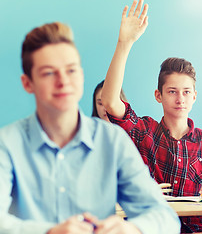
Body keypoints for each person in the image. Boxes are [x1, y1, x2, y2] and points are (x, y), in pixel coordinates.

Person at [0, 21, 180, 234]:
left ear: (81, 76)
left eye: (71, 70)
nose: (63, 81)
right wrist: (49, 232)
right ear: (28, 83)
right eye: (49, 73)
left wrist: (132, 229)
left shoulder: (113, 141)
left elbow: (164, 218)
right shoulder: (7, 144)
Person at [101, 0, 202, 233]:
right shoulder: (145, 132)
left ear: (194, 96)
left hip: (198, 229)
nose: (179, 99)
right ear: (158, 95)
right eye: (172, 92)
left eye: (186, 92)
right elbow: (111, 102)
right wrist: (124, 43)